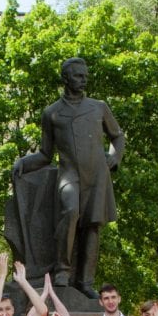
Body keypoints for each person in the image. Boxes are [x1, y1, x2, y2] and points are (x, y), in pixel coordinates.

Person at [12, 57, 126, 298]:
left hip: (97, 175)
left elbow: (117, 136)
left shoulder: (99, 107)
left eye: (85, 76)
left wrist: (115, 157)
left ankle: (85, 281)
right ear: (65, 78)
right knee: (70, 211)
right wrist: (23, 162)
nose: (84, 80)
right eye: (78, 76)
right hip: (69, 174)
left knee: (93, 226)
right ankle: (62, 270)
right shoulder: (52, 113)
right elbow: (45, 154)